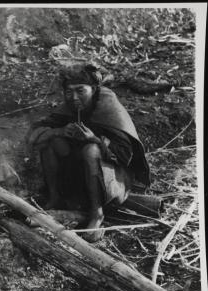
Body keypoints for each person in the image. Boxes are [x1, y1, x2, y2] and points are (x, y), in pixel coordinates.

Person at [26, 63, 150, 242]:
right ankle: (55, 199)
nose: (74, 97)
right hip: (78, 181)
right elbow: (34, 134)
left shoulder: (108, 108)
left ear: (93, 89)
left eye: (80, 91)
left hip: (112, 182)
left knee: (91, 150)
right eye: (69, 92)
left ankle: (96, 213)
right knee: (53, 141)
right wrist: (59, 132)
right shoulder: (69, 108)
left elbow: (126, 155)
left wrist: (95, 139)